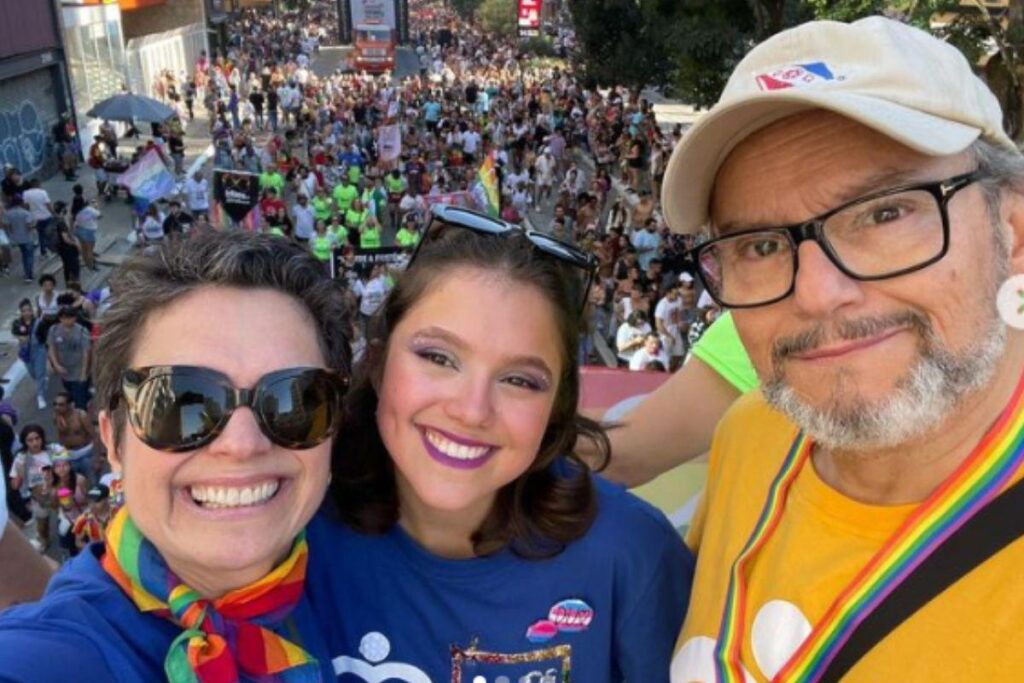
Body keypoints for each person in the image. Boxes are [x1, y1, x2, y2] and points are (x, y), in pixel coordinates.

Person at [659, 18, 1024, 681]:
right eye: (761, 245)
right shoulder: (753, 434)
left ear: (1014, 230)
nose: (818, 293)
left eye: (885, 213)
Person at [316, 206, 692, 681]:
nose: (472, 410)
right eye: (438, 357)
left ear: (556, 406)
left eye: (519, 380)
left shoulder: (632, 555)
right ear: (378, 360)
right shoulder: (295, 537)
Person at [0, 231, 351, 680]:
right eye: (182, 403)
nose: (242, 444)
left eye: (294, 401)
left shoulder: (378, 586)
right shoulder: (43, 657)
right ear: (113, 441)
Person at [46, 305, 91, 411]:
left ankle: (82, 415)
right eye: (65, 318)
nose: (68, 320)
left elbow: (86, 352)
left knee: (79, 403)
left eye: (71, 317)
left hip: (78, 371)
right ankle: (88, 397)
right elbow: (52, 348)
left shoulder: (82, 331)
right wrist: (56, 365)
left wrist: (84, 373)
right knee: (71, 392)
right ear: (60, 318)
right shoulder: (54, 330)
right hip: (65, 372)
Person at [52, 390, 95, 482]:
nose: (57, 407)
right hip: (69, 455)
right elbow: (61, 435)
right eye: (55, 404)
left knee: (92, 482)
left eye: (61, 405)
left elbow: (95, 435)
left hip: (86, 454)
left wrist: (99, 457)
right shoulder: (57, 418)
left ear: (70, 405)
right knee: (74, 484)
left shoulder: (81, 415)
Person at [2, 195, 36, 282]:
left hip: (15, 238)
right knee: (29, 256)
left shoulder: (8, 214)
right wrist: (34, 226)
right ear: (21, 202)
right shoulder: (26, 213)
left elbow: (6, 225)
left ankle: (26, 272)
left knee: (24, 255)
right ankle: (29, 275)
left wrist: (11, 232)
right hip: (27, 238)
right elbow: (29, 226)